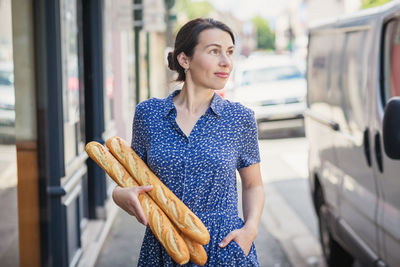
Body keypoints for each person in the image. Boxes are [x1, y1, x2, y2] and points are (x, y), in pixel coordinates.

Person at [112, 18, 265, 266]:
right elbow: (129, 177)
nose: (226, 62)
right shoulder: (149, 115)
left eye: (229, 53)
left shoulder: (239, 118)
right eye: (214, 51)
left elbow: (253, 185)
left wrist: (250, 230)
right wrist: (120, 196)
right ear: (185, 60)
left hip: (224, 247)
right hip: (163, 245)